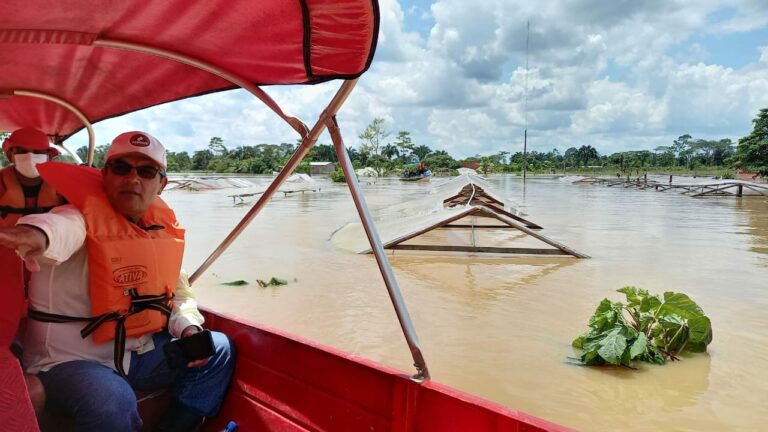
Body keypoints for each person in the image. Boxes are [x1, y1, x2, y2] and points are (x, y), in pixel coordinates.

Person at [0, 131, 235, 432]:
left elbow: (179, 294)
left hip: (138, 357)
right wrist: (32, 235)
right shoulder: (76, 217)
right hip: (67, 362)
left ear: (161, 183)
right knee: (112, 399)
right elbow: (55, 230)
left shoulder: (160, 230)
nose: (133, 179)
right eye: (121, 168)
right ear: (105, 174)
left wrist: (188, 327)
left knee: (219, 349)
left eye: (147, 171)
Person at [1, 128, 65, 225]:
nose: (30, 157)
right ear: (10, 156)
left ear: (49, 156)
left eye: (38, 151)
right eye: (22, 151)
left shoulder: (64, 184)